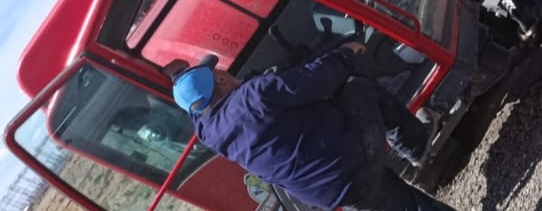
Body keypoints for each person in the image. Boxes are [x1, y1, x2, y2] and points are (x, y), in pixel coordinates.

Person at [170, 44, 455, 211]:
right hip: (349, 163)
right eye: (219, 72)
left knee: (402, 203)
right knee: (359, 89)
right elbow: (315, 80)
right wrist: (345, 54)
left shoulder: (211, 135)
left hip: (330, 194)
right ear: (219, 80)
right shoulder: (253, 96)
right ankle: (416, 144)